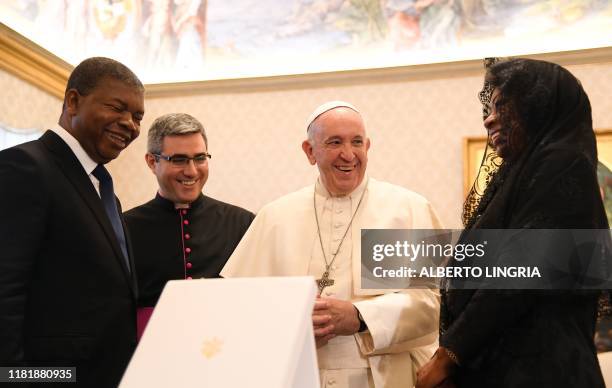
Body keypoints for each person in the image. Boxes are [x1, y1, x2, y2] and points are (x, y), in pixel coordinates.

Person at [416, 58, 609, 388]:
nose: (488, 119)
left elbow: (518, 272)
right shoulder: (518, 173)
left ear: (537, 107)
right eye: (488, 110)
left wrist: (449, 355)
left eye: (502, 107)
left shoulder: (563, 163)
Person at [222, 101, 442, 388]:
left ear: (368, 146)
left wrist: (360, 316)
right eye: (334, 142)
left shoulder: (406, 209)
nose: (348, 154)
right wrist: (291, 325)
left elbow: (435, 304)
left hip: (383, 378)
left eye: (357, 142)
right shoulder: (275, 216)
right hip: (297, 375)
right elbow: (243, 307)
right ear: (310, 151)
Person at [0, 57, 145, 387]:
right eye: (117, 108)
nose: (130, 125)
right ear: (73, 101)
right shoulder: (25, 167)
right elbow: (5, 289)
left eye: (137, 117)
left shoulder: (103, 189)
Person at [124, 113, 254, 337]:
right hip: (150, 354)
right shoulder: (124, 227)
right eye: (179, 159)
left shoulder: (242, 222)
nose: (192, 171)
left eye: (200, 158)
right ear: (152, 162)